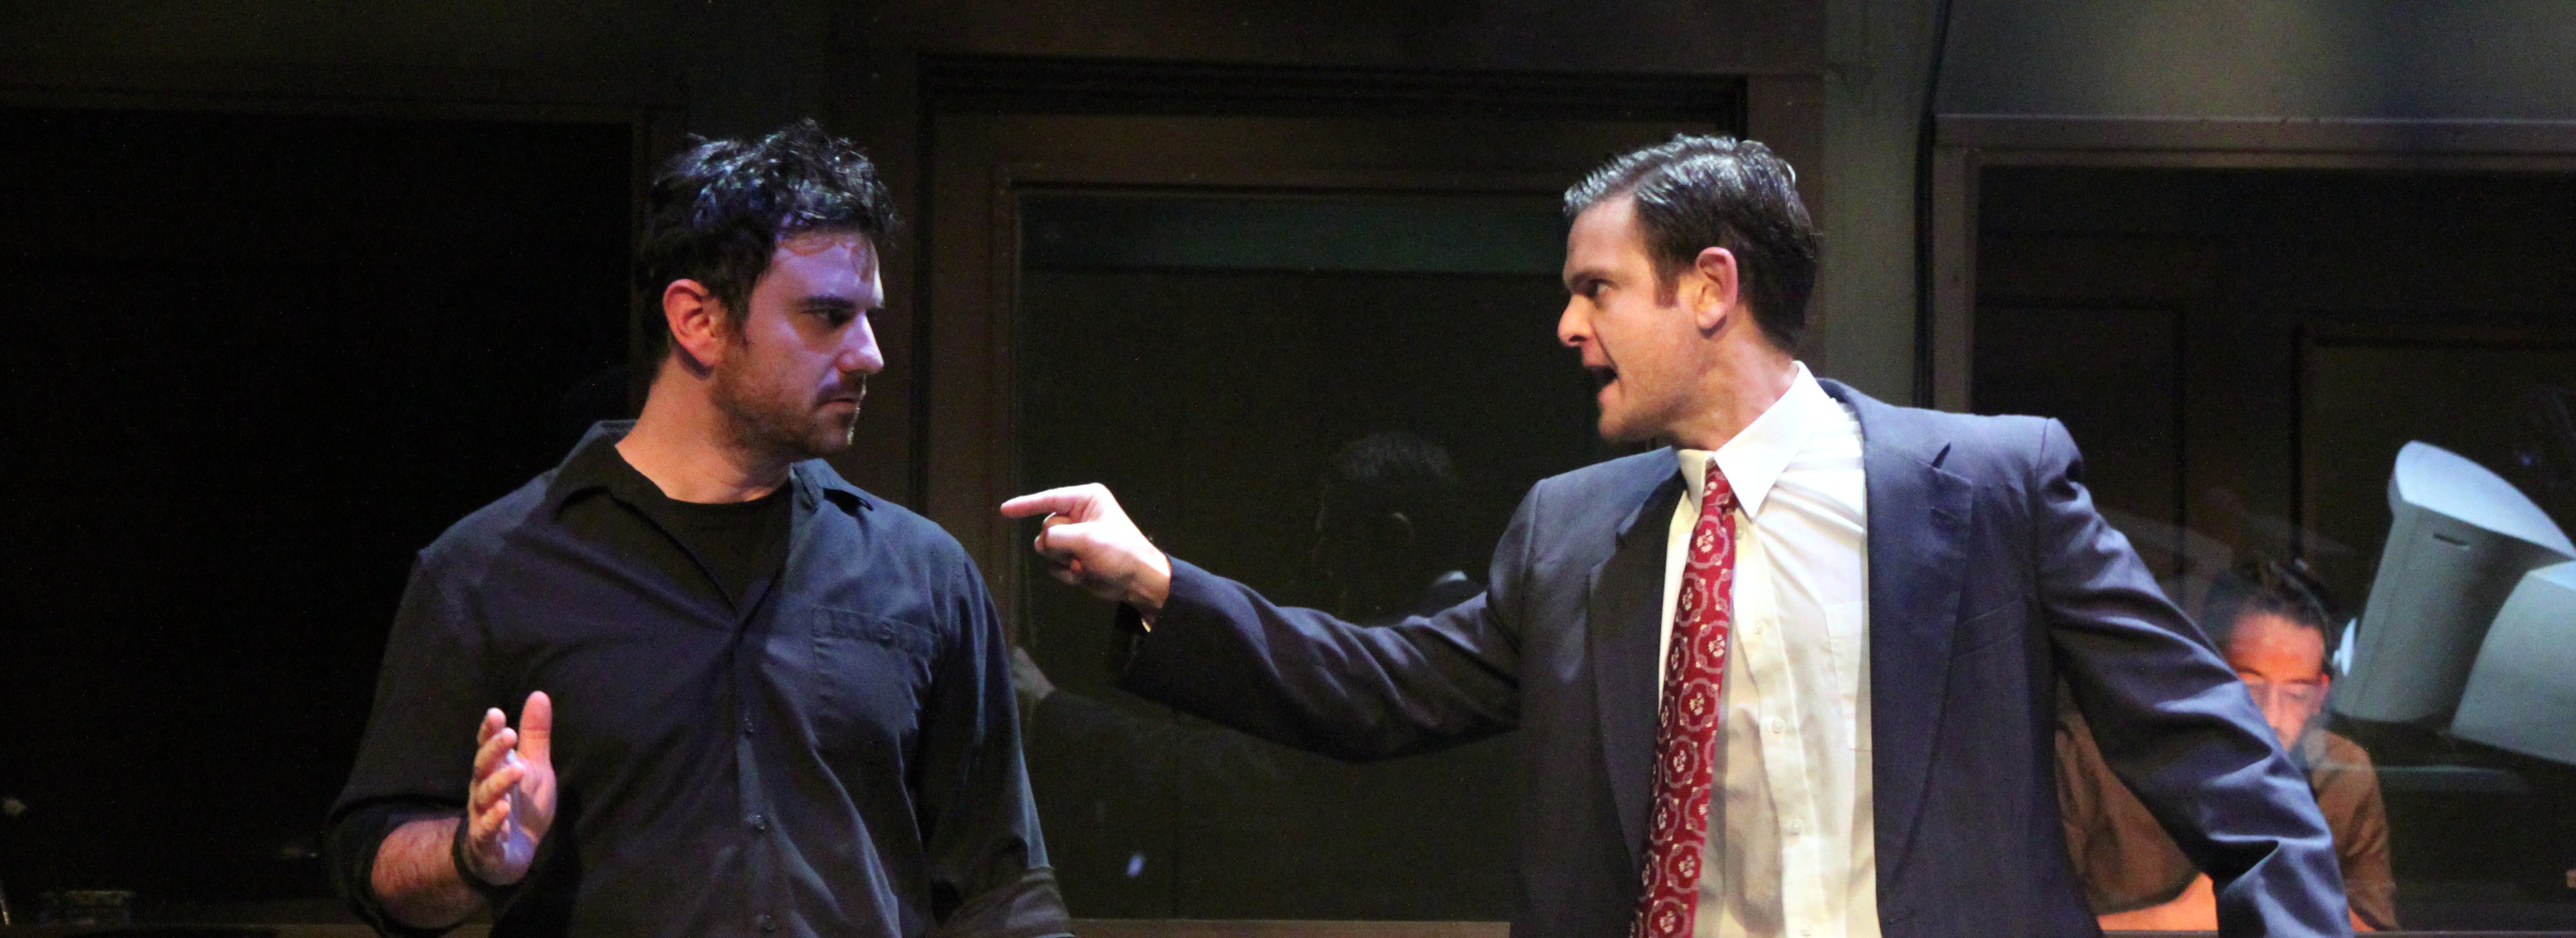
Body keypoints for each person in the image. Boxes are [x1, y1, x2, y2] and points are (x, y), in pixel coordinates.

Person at [999, 135, 2348, 937]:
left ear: (1710, 288)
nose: (1567, 326)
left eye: (1596, 288)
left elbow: (2230, 775)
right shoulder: (1571, 532)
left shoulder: (1991, 486)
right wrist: (1160, 583)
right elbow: (1380, 686)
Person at [325, 121, 1070, 938]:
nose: (869, 355)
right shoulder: (490, 569)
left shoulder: (923, 574)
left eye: (869, 318)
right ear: (698, 321)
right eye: (828, 316)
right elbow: (375, 857)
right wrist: (472, 856)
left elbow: (1000, 888)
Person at [1010, 431, 1512, 918]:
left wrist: (1052, 711)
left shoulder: (1445, 668)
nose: (1319, 559)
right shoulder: (1464, 645)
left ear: (1395, 537)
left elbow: (1237, 770)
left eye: (1334, 538)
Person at [2060, 558, 2396, 931]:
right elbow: (2026, 924)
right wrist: (2174, 922)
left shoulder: (2343, 775)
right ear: (2203, 674)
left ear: (2320, 695)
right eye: (2250, 687)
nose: (2272, 717)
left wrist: (2304, 896)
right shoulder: (2092, 757)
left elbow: (2381, 930)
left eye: (2297, 693)